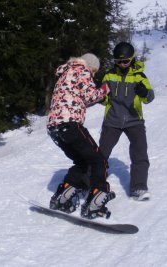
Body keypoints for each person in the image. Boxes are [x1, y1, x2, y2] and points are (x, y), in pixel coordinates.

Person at [47, 53, 115, 219]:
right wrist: (106, 88)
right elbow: (91, 95)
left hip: (55, 128)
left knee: (82, 161)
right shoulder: (82, 70)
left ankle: (64, 196)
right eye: (94, 71)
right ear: (91, 66)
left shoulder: (66, 72)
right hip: (70, 124)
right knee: (99, 160)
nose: (93, 75)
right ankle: (97, 200)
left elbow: (80, 99)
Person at [99, 42, 155, 201]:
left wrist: (144, 92)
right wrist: (100, 97)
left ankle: (139, 187)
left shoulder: (139, 76)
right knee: (100, 154)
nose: (122, 64)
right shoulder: (109, 76)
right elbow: (104, 101)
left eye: (125, 61)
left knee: (140, 153)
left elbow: (149, 98)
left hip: (134, 120)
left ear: (132, 59)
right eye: (118, 61)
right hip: (112, 120)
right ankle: (92, 182)